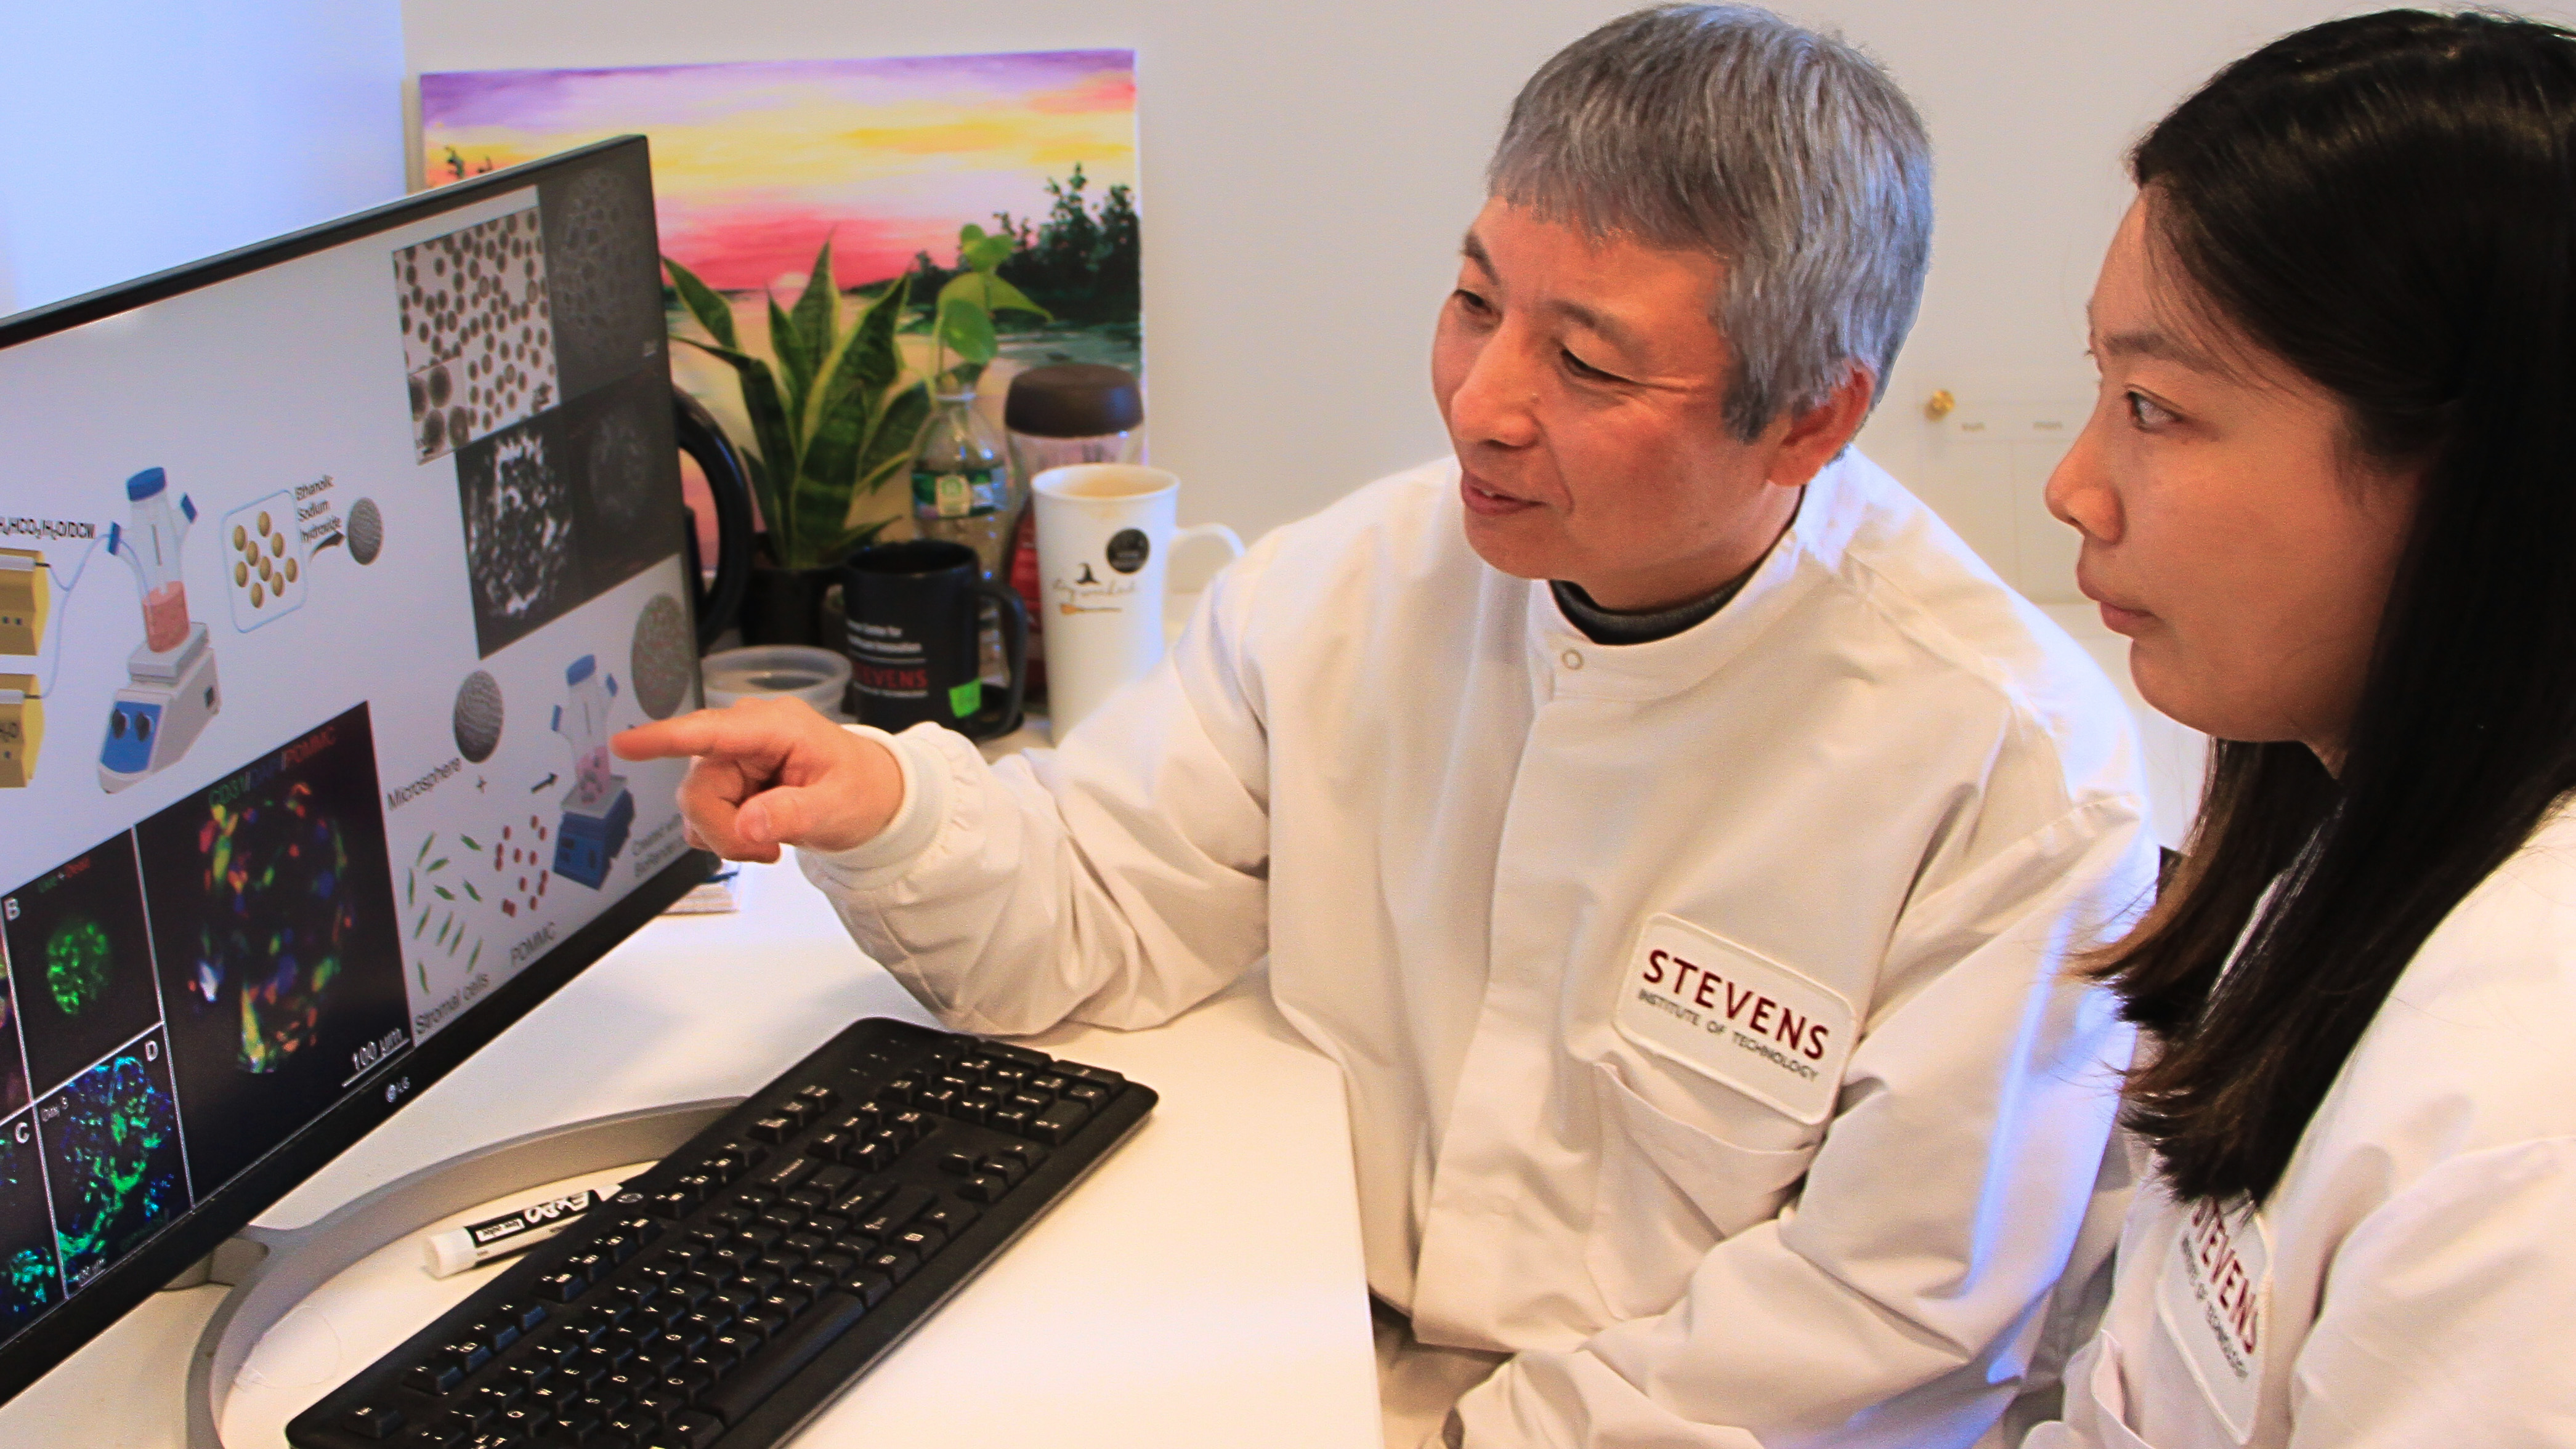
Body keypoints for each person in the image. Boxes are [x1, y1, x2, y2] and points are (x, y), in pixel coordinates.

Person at [620, 7, 2158, 1445]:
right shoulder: (1359, 582)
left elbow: (1886, 1314)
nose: (1480, 403)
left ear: (1814, 416)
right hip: (1329, 1341)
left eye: (1588, 361)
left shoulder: (2005, 767)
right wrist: (891, 807)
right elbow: (1095, 904)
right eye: (1476, 300)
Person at [2025, 10, 2576, 1446]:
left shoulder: (2532, 1108)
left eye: (2156, 406)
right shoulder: (2340, 825)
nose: (2077, 486)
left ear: (2471, 478)